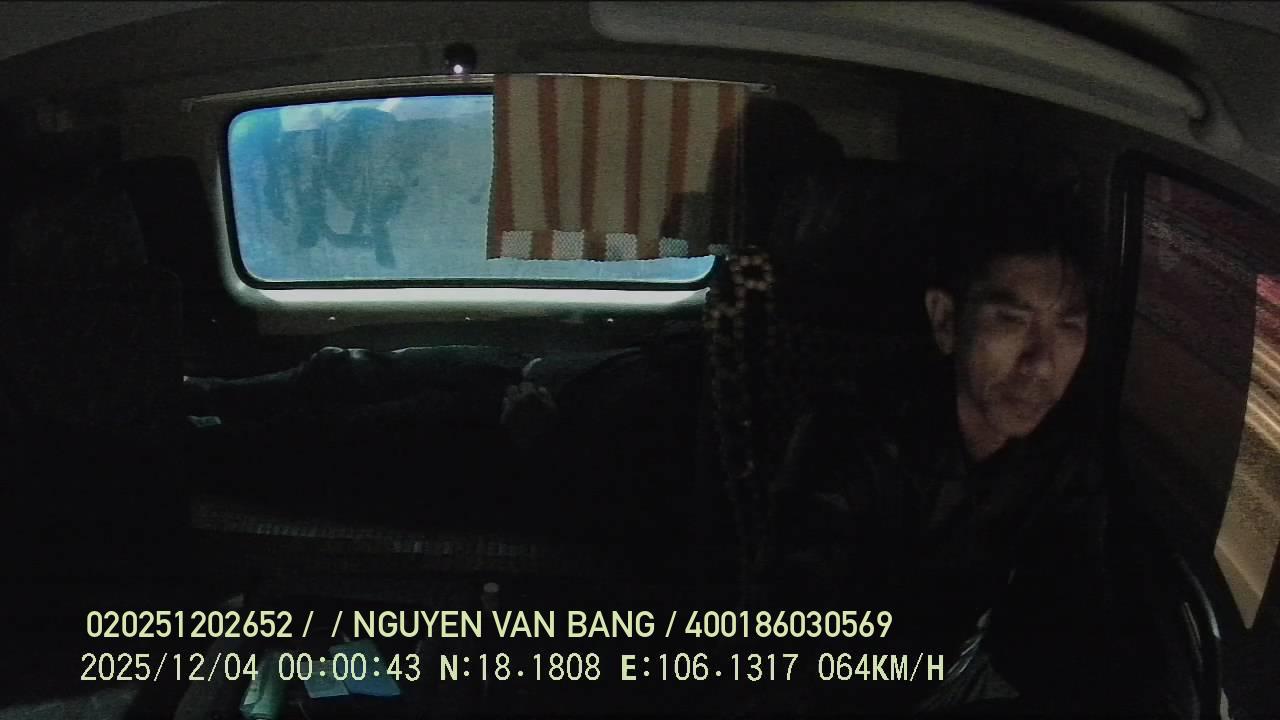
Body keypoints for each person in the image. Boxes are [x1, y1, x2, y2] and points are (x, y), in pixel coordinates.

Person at [767, 178, 1133, 715]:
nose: (1041, 364)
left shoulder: (1067, 452)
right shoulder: (854, 440)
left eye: (1068, 326)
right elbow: (802, 642)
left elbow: (1071, 619)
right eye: (1011, 321)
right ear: (945, 320)